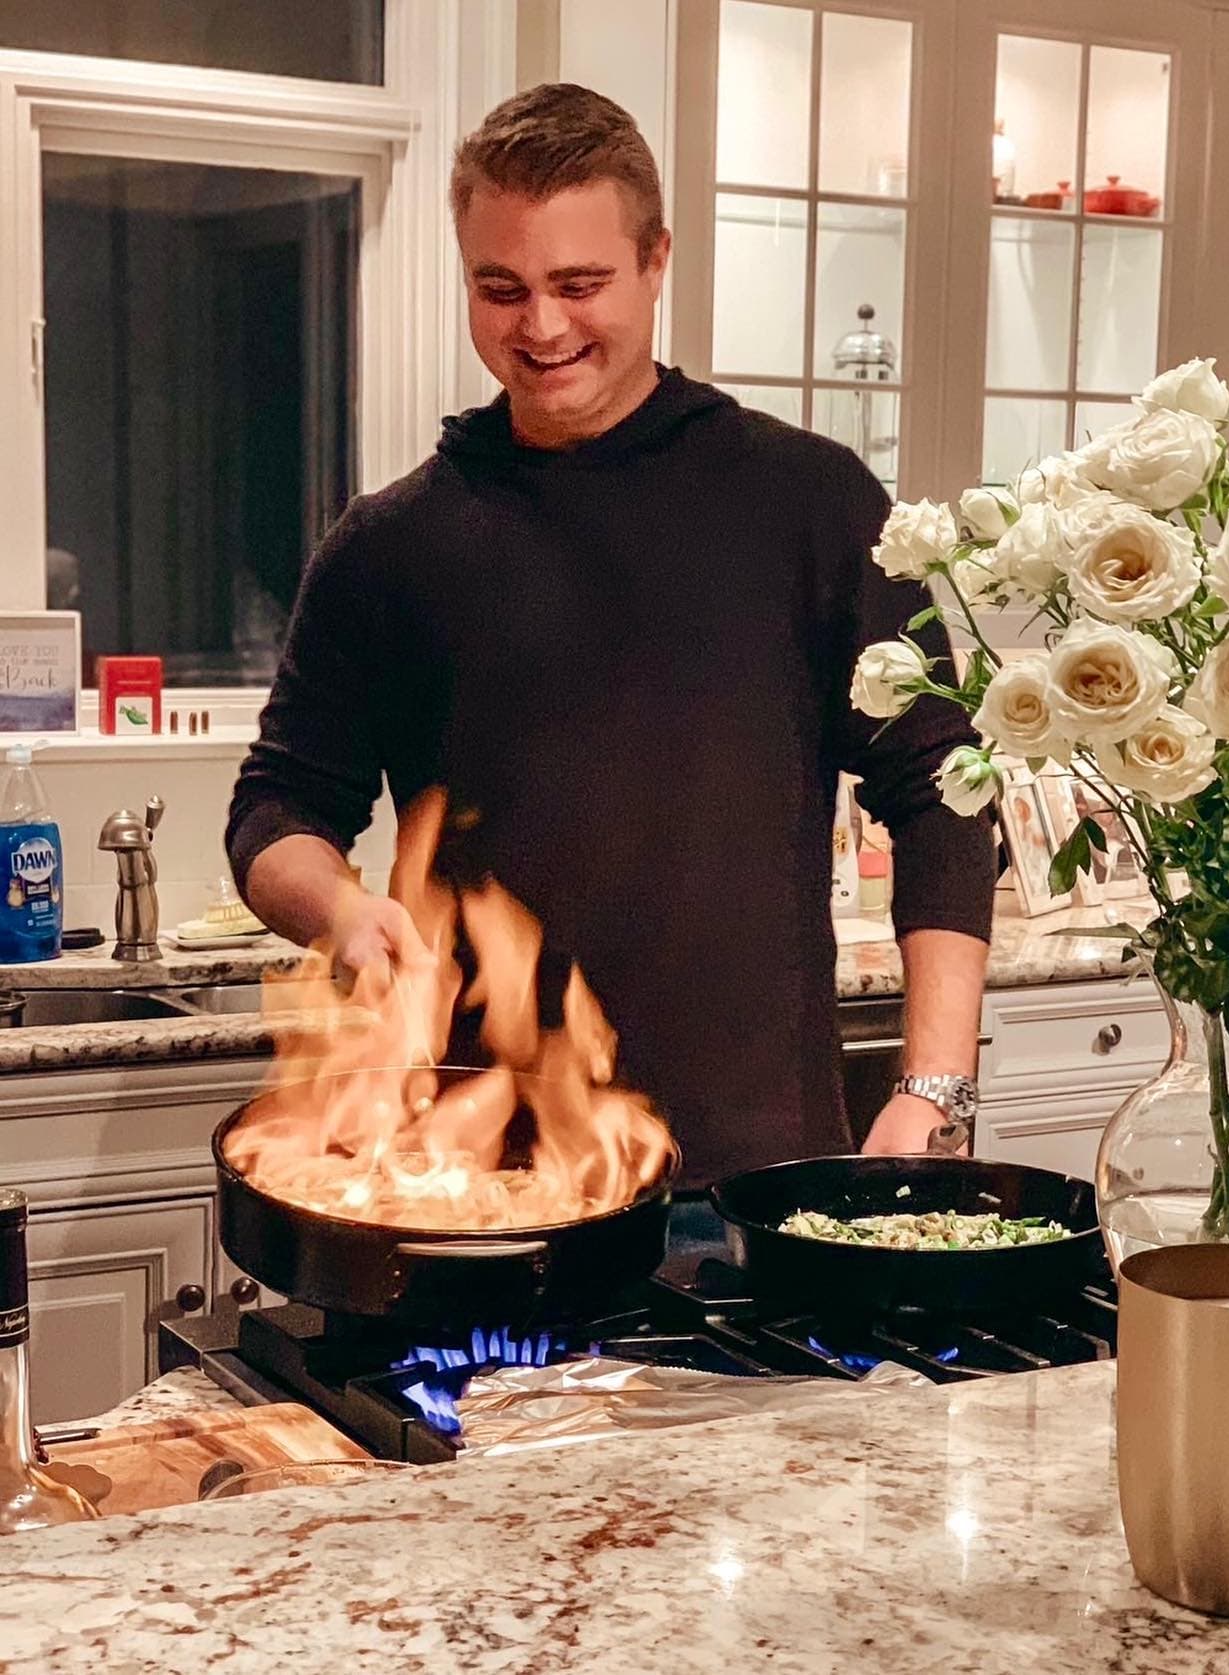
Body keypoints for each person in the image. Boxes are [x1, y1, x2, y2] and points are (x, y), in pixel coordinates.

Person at [226, 83, 995, 1188]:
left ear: (656, 259)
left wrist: (934, 1087)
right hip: (478, 1183)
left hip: (755, 1178)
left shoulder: (810, 504)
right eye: (502, 288)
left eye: (579, 284)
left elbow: (944, 792)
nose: (541, 327)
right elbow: (277, 812)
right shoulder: (390, 548)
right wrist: (343, 912)